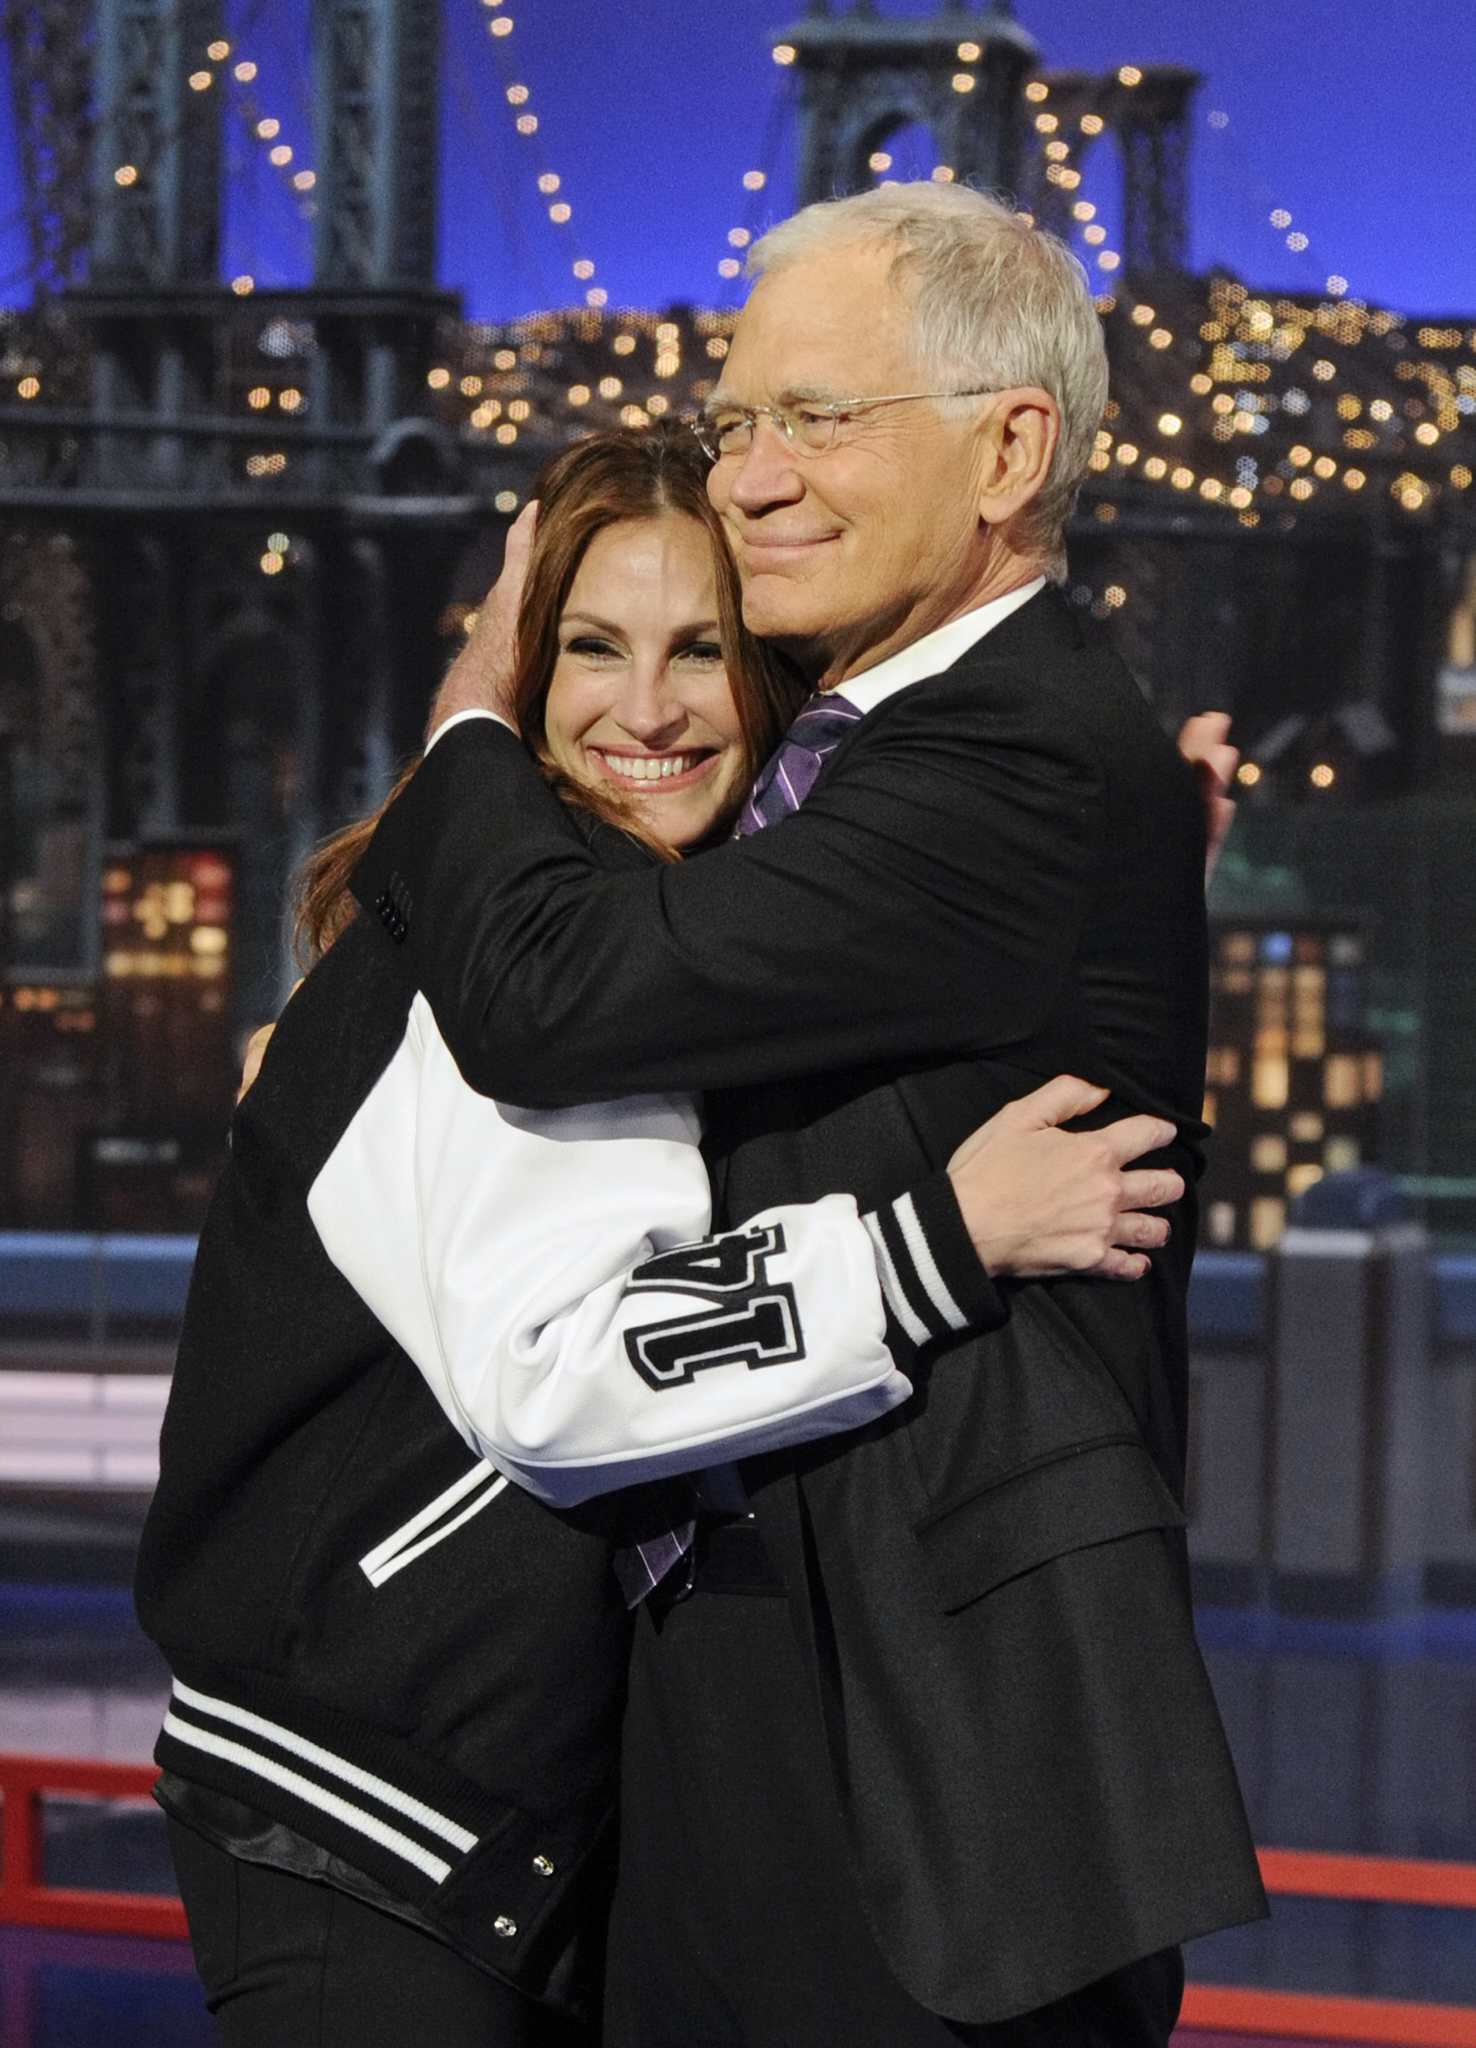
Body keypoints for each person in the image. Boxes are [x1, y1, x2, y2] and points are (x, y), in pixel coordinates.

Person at [351, 183, 1267, 2047]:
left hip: (938, 1750)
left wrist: (467, 716)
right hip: (764, 1674)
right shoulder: (875, 740)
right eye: (736, 422)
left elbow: (566, 1002)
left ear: (1013, 446)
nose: (755, 475)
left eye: (817, 420)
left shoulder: (1007, 751)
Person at [138, 426, 1186, 2048]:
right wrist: (942, 1241)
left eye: (702, 649)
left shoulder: (548, 914)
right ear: (521, 670)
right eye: (591, 650)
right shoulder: (528, 964)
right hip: (373, 1822)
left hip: (430, 1808)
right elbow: (558, 1382)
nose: (648, 710)